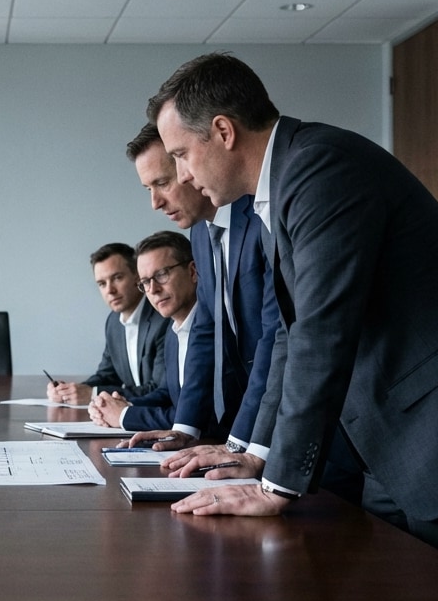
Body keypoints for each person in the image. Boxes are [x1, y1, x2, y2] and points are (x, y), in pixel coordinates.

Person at [148, 52, 438, 553]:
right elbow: (289, 332)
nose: (182, 175)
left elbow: (321, 334)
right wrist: (258, 455)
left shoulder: (320, 168)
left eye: (181, 154)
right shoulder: (284, 184)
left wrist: (276, 486)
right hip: (397, 441)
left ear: (223, 131)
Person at [119, 123, 278, 458]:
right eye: (147, 188)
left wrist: (244, 445)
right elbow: (205, 331)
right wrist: (184, 429)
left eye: (162, 182)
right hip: (242, 426)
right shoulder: (201, 236)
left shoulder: (260, 215)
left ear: (186, 165)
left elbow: (275, 336)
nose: (155, 203)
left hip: (285, 423)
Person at [89, 231, 198, 430]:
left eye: (162, 274)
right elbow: (167, 393)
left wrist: (124, 415)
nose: (153, 289)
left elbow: (197, 416)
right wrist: (111, 407)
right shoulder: (175, 328)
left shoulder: (206, 329)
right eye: (146, 282)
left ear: (193, 272)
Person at [47, 242, 168, 405]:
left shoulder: (163, 319)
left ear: (137, 277)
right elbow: (108, 375)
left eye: (117, 278)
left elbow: (159, 390)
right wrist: (72, 391)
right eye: (102, 284)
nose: (109, 290)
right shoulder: (113, 322)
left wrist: (92, 394)